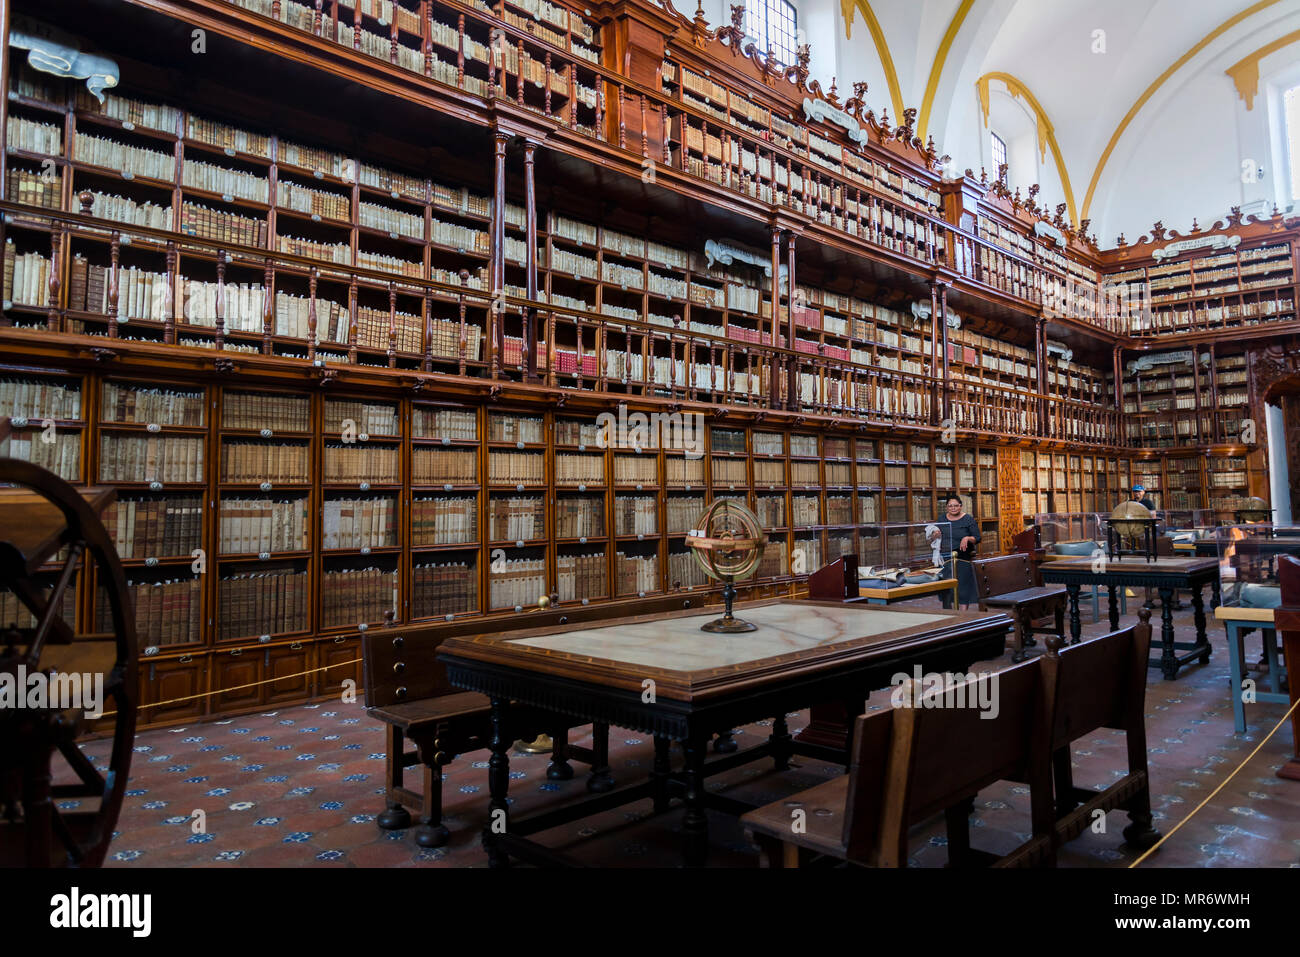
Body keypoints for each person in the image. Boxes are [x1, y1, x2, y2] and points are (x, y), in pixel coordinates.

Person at [936, 494, 980, 608]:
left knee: (962, 586)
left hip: (962, 555)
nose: (953, 508)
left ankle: (962, 614)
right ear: (946, 507)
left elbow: (977, 538)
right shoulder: (941, 519)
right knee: (946, 585)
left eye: (956, 505)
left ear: (960, 506)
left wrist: (967, 538)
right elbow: (934, 536)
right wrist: (934, 535)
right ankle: (948, 612)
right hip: (945, 555)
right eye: (950, 506)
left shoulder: (968, 519)